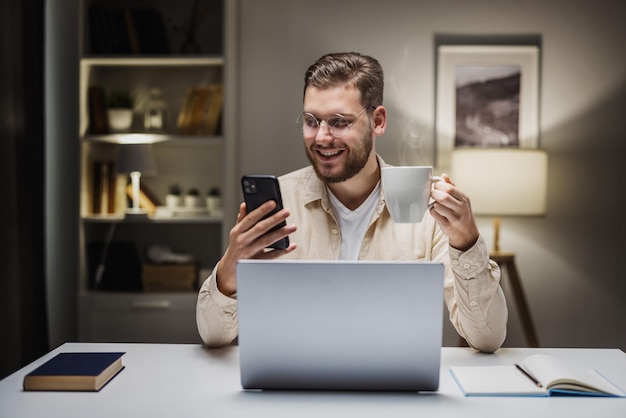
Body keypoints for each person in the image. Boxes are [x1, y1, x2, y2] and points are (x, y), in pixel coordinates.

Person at [197, 52, 507, 353]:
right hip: (295, 389)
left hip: (394, 391)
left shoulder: (426, 208)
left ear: (378, 121)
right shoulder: (278, 202)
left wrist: (466, 241)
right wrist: (228, 272)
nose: (321, 137)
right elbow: (213, 336)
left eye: (339, 122)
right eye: (311, 121)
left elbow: (486, 337)